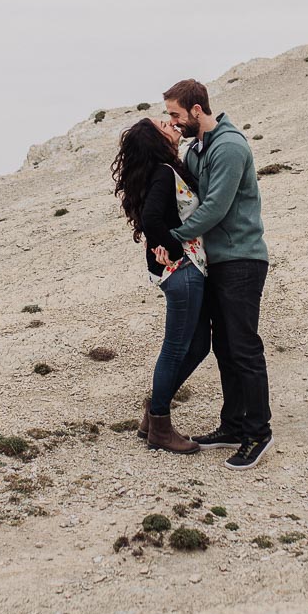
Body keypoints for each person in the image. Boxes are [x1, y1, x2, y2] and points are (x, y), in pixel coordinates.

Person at [161, 79, 274, 470]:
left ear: (196, 110)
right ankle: (233, 425)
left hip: (242, 258)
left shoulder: (228, 146)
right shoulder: (200, 148)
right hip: (219, 260)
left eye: (175, 114)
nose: (173, 122)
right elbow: (185, 183)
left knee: (243, 346)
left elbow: (214, 209)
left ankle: (258, 432)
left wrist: (172, 240)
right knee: (224, 347)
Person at [110, 116, 211, 453]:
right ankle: (160, 428)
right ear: (156, 141)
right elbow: (152, 218)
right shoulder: (164, 174)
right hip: (182, 271)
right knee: (176, 348)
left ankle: (153, 414)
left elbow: (156, 217)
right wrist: (170, 248)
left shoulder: (163, 172)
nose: (172, 125)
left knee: (198, 347)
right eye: (164, 126)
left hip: (182, 270)